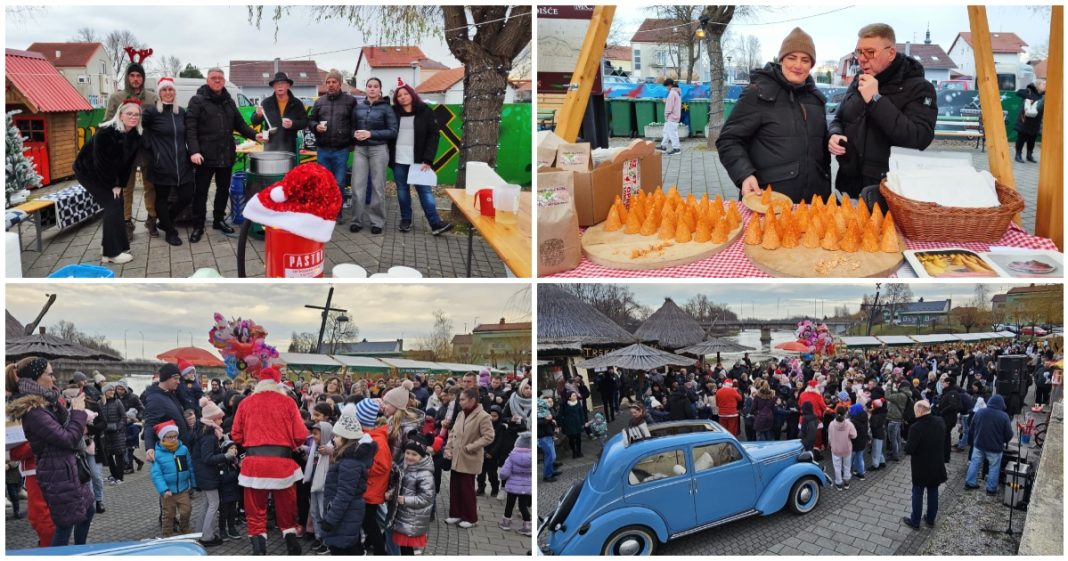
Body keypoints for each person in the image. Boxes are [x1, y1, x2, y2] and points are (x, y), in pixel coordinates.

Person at [716, 27, 830, 203]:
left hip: (813, 203)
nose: (798, 65)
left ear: (811, 65)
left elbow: (818, 145)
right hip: (769, 199)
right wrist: (744, 175)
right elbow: (728, 140)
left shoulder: (816, 99)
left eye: (805, 60)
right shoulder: (758, 93)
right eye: (792, 58)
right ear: (781, 59)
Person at [828, 23, 937, 197]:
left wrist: (876, 99)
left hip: (888, 192)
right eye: (859, 52)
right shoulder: (858, 81)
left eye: (870, 52)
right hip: (848, 187)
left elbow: (919, 138)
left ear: (891, 53)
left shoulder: (918, 88)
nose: (862, 59)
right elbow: (838, 119)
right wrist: (834, 134)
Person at [7, 358, 95, 546]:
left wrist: (70, 410)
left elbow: (65, 429)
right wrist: (78, 413)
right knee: (64, 525)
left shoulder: (49, 401)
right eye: (50, 374)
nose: (54, 378)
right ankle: (57, 554)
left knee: (88, 511)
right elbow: (67, 439)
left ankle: (80, 550)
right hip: (56, 473)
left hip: (68, 468)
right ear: (37, 378)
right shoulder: (34, 411)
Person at [231, 367, 308, 555]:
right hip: (282, 463)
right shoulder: (288, 402)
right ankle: (291, 542)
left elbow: (236, 435)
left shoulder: (246, 403)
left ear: (259, 383)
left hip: (254, 464)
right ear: (277, 384)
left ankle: (259, 549)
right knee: (286, 506)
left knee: (255, 510)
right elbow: (301, 435)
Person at [185, 67, 260, 243]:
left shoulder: (229, 101)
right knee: (201, 192)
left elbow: (240, 124)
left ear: (224, 80)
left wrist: (255, 135)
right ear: (207, 80)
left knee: (222, 190)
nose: (217, 80)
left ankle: (218, 220)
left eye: (220, 78)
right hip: (204, 156)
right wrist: (194, 151)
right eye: (213, 78)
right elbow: (190, 128)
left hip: (226, 154)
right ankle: (198, 224)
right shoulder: (197, 100)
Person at [73, 98, 143, 264]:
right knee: (112, 203)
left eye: (137, 114)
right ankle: (111, 254)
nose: (133, 117)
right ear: (120, 114)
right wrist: (113, 185)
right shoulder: (106, 133)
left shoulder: (135, 135)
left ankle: (110, 247)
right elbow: (101, 164)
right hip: (89, 172)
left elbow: (127, 165)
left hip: (107, 174)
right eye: (129, 113)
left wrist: (120, 184)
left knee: (118, 202)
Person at [104, 51, 160, 239]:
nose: (136, 79)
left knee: (150, 185)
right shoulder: (116, 98)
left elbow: (159, 123)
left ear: (143, 79)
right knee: (125, 187)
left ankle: (152, 218)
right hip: (124, 150)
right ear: (128, 78)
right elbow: (107, 123)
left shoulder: (152, 98)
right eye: (132, 75)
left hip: (146, 148)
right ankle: (126, 222)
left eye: (139, 76)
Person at [388, 78, 452, 235]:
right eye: (399, 95)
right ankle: (405, 220)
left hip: (418, 162)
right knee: (402, 191)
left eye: (405, 93)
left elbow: (433, 136)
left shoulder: (425, 111)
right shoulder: (393, 112)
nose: (402, 97)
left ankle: (435, 223)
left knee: (425, 191)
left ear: (411, 94)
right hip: (399, 160)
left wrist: (428, 159)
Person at [140, 76, 194, 246]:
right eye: (164, 89)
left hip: (182, 162)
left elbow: (188, 134)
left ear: (174, 92)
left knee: (187, 195)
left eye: (170, 89)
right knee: (162, 198)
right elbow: (141, 130)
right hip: (161, 163)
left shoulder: (181, 112)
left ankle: (165, 221)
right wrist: (152, 149)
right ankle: (170, 232)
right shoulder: (151, 112)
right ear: (159, 93)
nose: (168, 92)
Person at [349, 77, 398, 234]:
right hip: (360, 150)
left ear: (380, 89)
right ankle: (357, 220)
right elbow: (351, 128)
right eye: (369, 86)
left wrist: (370, 133)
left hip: (379, 149)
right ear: (366, 88)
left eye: (375, 86)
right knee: (357, 186)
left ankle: (377, 221)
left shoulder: (387, 108)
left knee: (378, 186)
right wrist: (354, 133)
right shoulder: (358, 108)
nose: (372, 89)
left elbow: (393, 131)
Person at [321, 411, 373, 556]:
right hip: (346, 514)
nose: (334, 439)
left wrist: (330, 519)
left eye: (337, 436)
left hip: (345, 515)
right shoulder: (347, 459)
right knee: (350, 546)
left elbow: (344, 494)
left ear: (346, 439)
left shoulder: (349, 463)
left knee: (343, 549)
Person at [444, 388, 494, 528]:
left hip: (469, 457)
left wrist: (471, 447)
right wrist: (448, 448)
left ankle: (471, 518)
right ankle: (455, 514)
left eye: (463, 399)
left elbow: (489, 436)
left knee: (467, 489)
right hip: (456, 456)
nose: (460, 402)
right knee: (455, 488)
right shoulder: (460, 414)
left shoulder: (483, 416)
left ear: (472, 400)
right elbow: (453, 433)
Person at [310, 69, 357, 211]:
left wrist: (352, 142)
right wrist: (316, 127)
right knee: (323, 181)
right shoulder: (319, 102)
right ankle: (324, 209)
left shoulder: (350, 101)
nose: (331, 84)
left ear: (340, 83)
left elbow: (354, 123)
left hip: (341, 149)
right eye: (328, 82)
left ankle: (337, 210)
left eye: (334, 82)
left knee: (339, 181)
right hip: (323, 148)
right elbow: (311, 120)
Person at [902, 400, 947, 529]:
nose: (914, 413)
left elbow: (910, 449)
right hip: (936, 463)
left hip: (921, 466)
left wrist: (906, 447)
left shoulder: (916, 427)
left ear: (920, 410)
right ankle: (930, 519)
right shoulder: (940, 421)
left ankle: (915, 521)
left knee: (917, 492)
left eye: (915, 410)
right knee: (933, 492)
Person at [191, 399, 228, 547]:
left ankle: (199, 532)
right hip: (207, 475)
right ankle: (207, 536)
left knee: (207, 504)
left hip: (203, 474)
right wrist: (225, 456)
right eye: (219, 418)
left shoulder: (204, 431)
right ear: (212, 419)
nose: (221, 420)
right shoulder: (208, 436)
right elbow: (207, 458)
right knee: (214, 504)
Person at [389, 436, 435, 555]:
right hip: (403, 516)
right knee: (403, 548)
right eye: (407, 453)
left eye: (414, 454)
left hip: (412, 519)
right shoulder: (405, 466)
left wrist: (405, 500)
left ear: (422, 456)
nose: (409, 457)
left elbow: (427, 498)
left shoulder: (425, 474)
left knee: (406, 549)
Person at [150, 420, 196, 537]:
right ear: (163, 438)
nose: (173, 439)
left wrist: (194, 483)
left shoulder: (183, 449)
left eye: (175, 436)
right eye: (169, 437)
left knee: (186, 510)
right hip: (168, 492)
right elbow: (156, 474)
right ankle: (167, 534)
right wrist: (164, 490)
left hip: (183, 489)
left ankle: (184, 528)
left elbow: (190, 466)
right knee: (168, 515)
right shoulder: (157, 453)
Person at [964, 394, 1013, 495]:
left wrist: (977, 436)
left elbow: (972, 427)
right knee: (994, 467)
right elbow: (1009, 434)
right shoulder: (1004, 416)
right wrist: (1002, 441)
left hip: (979, 444)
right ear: (1001, 405)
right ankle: (991, 489)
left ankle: (970, 482)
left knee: (974, 463)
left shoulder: (980, 412)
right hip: (995, 447)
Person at [251, 72, 308, 156]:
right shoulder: (266, 103)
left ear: (288, 86)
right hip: (270, 148)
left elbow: (305, 122)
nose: (279, 86)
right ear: (273, 87)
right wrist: (258, 115)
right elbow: (254, 121)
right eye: (277, 84)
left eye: (283, 83)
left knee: (289, 169)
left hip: (290, 148)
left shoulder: (296, 103)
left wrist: (293, 124)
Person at [143, 364, 191, 460]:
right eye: (176, 379)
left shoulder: (168, 393)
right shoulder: (155, 399)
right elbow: (149, 424)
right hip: (170, 451)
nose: (178, 382)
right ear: (166, 378)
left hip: (179, 447)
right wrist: (149, 447)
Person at [304, 420, 333, 555]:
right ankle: (319, 536)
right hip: (314, 484)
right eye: (313, 433)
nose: (313, 437)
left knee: (324, 513)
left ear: (326, 433)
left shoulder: (331, 448)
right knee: (315, 511)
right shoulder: (315, 447)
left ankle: (327, 541)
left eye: (316, 434)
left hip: (324, 486)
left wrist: (331, 452)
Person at [498, 431, 533, 536]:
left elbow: (504, 473)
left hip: (513, 486)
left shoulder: (512, 457)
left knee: (510, 504)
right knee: (523, 506)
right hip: (527, 487)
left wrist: (503, 478)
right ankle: (527, 526)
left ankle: (506, 523)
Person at [99, 382, 128, 484]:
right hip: (106, 434)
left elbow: (124, 417)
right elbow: (98, 418)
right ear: (104, 392)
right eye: (109, 390)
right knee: (109, 455)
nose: (112, 392)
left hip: (117, 433)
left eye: (112, 390)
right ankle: (114, 475)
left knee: (119, 455)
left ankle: (120, 477)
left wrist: (118, 427)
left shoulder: (117, 402)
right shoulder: (100, 403)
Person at [1014, 79, 1045, 163]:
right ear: (1038, 85)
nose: (1045, 86)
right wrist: (1032, 98)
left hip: (1035, 122)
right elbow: (1018, 92)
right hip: (1025, 121)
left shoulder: (1044, 95)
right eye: (1043, 84)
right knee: (1021, 138)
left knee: (1032, 140)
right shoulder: (1029, 91)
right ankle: (1018, 154)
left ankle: (1029, 155)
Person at [828, 406, 856, 491]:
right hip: (846, 448)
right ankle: (847, 482)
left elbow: (829, 436)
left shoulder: (831, 424)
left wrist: (830, 444)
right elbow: (854, 435)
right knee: (847, 466)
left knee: (837, 467)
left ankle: (839, 483)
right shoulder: (849, 424)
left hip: (835, 449)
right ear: (845, 414)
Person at [937, 377, 961, 463]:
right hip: (945, 418)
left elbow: (953, 405)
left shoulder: (952, 393)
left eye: (944, 382)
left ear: (948, 383)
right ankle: (943, 455)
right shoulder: (947, 392)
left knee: (946, 437)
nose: (942, 384)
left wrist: (943, 411)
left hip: (948, 419)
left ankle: (945, 456)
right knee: (944, 436)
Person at [885, 380, 911, 462]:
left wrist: (889, 385)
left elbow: (888, 396)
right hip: (897, 418)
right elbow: (893, 395)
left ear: (903, 386)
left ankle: (895, 455)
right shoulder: (904, 394)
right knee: (897, 437)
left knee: (893, 438)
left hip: (894, 418)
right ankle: (895, 451)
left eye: (899, 384)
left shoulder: (902, 395)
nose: (897, 385)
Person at [557, 391, 586, 459]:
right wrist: (560, 424)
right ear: (569, 397)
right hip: (568, 424)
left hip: (577, 422)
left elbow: (581, 413)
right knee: (571, 439)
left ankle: (579, 451)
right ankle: (574, 452)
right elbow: (560, 415)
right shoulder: (564, 405)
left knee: (578, 438)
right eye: (573, 396)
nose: (575, 397)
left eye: (575, 395)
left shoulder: (578, 403)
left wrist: (583, 422)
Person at [657, 79, 682, 155]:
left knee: (672, 133)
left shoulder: (672, 93)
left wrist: (666, 114)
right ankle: (663, 146)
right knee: (667, 132)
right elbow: (671, 102)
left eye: (666, 86)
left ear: (670, 85)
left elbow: (669, 106)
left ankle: (676, 149)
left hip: (672, 116)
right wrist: (665, 100)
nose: (666, 88)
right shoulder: (676, 92)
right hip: (675, 115)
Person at [848, 402, 869, 480]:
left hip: (856, 441)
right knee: (859, 456)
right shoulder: (864, 416)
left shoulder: (853, 421)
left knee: (855, 457)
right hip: (863, 440)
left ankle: (861, 473)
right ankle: (858, 471)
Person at [869, 398, 888, 470]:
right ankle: (882, 461)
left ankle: (875, 465)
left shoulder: (875, 416)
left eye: (873, 405)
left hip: (876, 434)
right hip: (881, 433)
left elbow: (873, 425)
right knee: (879, 448)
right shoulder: (883, 412)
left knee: (876, 450)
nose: (871, 406)